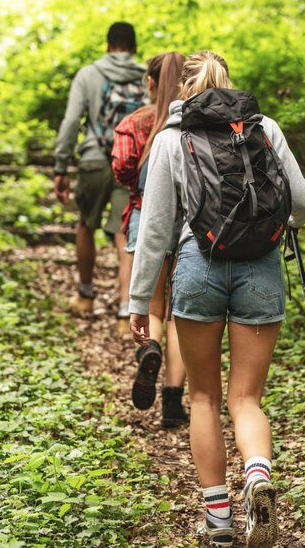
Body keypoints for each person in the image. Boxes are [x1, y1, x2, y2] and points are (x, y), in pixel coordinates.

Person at [128, 51, 305, 548]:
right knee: (247, 397)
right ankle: (257, 475)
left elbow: (154, 231)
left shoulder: (171, 138)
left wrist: (139, 300)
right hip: (261, 269)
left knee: (205, 398)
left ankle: (219, 522)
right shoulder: (264, 128)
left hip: (198, 270)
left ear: (181, 87)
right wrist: (286, 225)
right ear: (229, 80)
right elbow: (301, 202)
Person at [111, 51, 188, 426]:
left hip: (147, 219)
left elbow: (122, 167)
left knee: (152, 307)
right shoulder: (196, 124)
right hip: (190, 225)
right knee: (179, 315)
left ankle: (149, 350)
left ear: (151, 83)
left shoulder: (136, 123)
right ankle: (173, 403)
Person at [52, 22, 144, 331]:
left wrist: (61, 167)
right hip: (129, 161)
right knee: (123, 231)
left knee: (85, 224)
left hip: (93, 159)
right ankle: (124, 311)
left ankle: (86, 296)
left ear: (107, 45)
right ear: (134, 47)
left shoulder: (88, 74)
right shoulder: (146, 76)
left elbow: (70, 122)